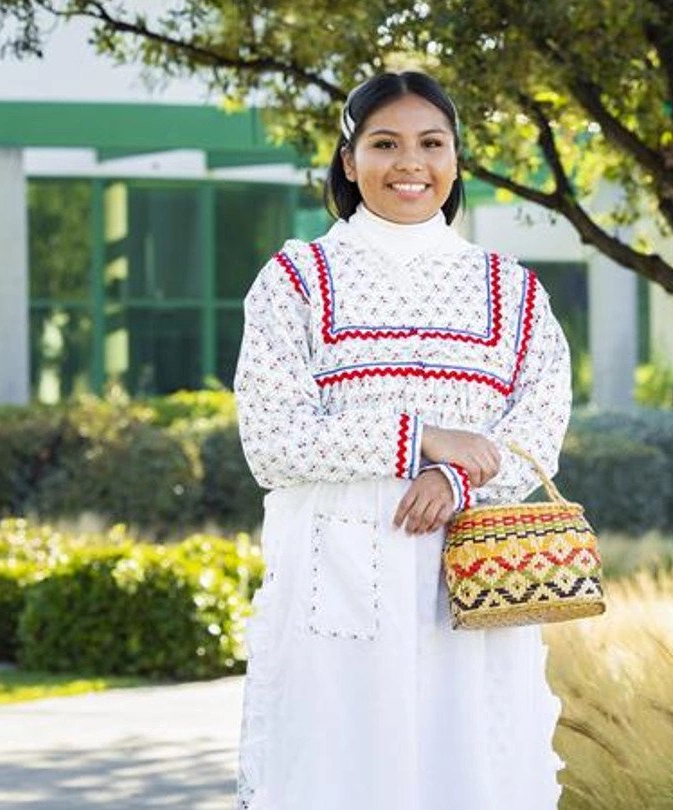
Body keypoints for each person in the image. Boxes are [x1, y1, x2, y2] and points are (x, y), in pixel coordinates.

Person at [233, 70, 572, 810]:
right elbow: (271, 440)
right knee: (338, 780)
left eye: (431, 143)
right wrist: (422, 439)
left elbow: (539, 431)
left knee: (471, 777)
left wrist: (456, 479)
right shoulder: (298, 279)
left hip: (475, 593)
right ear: (350, 161)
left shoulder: (511, 288)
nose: (409, 164)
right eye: (385, 144)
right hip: (336, 590)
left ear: (456, 160)